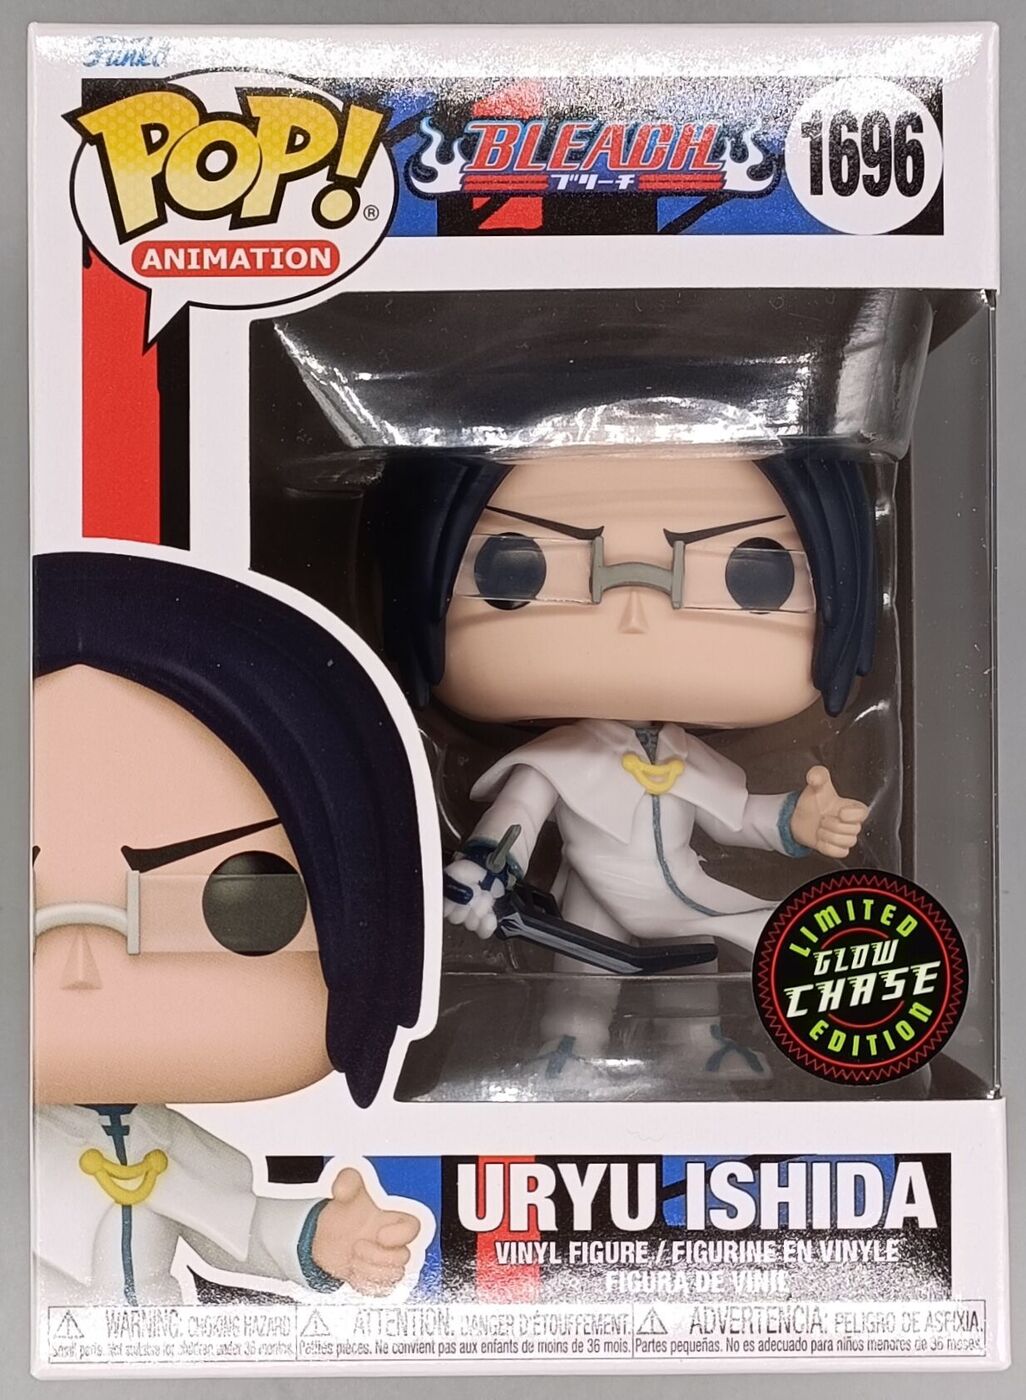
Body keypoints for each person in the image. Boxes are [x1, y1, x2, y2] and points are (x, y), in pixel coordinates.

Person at [374, 444, 875, 1072]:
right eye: (517, 569)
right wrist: (483, 873)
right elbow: (516, 819)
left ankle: (697, 1046)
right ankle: (570, 1046)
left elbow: (735, 815)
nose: (635, 613)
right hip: (595, 892)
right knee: (583, 977)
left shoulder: (686, 753)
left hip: (684, 889)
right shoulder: (562, 755)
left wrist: (796, 820)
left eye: (752, 576)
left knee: (695, 964)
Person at [33, 552, 429, 1304]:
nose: (83, 965)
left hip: (157, 1352)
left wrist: (321, 1237)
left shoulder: (163, 1139)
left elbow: (238, 1226)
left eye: (239, 902)